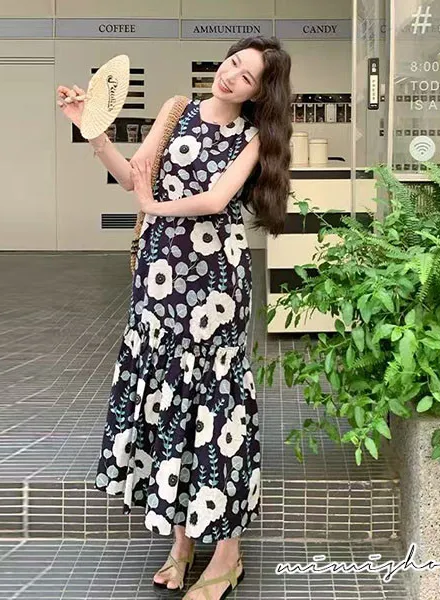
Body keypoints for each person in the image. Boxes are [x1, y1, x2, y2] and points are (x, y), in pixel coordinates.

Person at [57, 35, 291, 600]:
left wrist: (154, 207)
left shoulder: (254, 138)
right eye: (232, 63)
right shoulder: (175, 109)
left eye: (247, 76)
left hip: (215, 281)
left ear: (259, 94)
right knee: (168, 399)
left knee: (216, 406)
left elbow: (215, 201)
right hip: (159, 275)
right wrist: (93, 131)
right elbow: (131, 175)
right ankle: (182, 541)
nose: (230, 75)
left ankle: (228, 553)